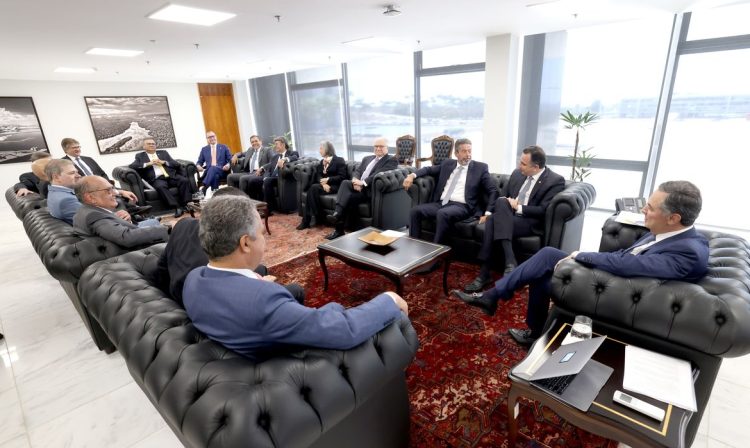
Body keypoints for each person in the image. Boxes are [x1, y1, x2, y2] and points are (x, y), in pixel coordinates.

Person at [452, 181, 708, 346]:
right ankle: (529, 327)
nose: (644, 211)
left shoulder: (687, 253)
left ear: (674, 217)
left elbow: (626, 266)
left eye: (650, 208)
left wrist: (581, 255)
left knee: (549, 256)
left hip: (617, 290)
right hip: (619, 276)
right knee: (544, 268)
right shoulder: (668, 232)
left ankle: (495, 297)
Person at [182, 194, 409, 360]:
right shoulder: (263, 301)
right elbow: (344, 330)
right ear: (245, 243)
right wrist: (389, 299)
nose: (264, 240)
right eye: (261, 234)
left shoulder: (193, 280)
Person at [155, 186, 305, 304]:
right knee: (295, 290)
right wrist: (260, 285)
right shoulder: (218, 249)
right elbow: (227, 288)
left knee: (261, 268)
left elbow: (161, 269)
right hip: (208, 300)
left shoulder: (183, 223)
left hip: (176, 292)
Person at [464, 145, 565, 292]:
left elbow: (543, 211)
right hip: (507, 216)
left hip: (528, 221)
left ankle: (485, 273)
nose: (519, 166)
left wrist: (517, 207)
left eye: (523, 164)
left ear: (536, 167)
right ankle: (509, 261)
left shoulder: (554, 180)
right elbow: (502, 197)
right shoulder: (517, 174)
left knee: (494, 221)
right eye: (520, 161)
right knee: (496, 212)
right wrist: (490, 213)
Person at [403, 138, 498, 245]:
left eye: (469, 151)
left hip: (462, 206)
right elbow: (428, 169)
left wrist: (488, 213)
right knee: (415, 211)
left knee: (442, 214)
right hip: (441, 203)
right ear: (456, 153)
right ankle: (413, 245)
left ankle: (436, 252)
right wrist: (412, 175)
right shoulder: (447, 164)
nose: (468, 154)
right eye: (464, 151)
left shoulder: (480, 168)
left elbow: (493, 190)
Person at [325, 137, 398, 240]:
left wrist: (362, 183)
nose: (378, 148)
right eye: (376, 146)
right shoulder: (367, 158)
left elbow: (378, 174)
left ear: (387, 148)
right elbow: (358, 171)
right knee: (347, 197)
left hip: (369, 191)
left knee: (345, 183)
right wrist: (355, 181)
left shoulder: (391, 160)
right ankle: (340, 229)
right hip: (357, 188)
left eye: (381, 146)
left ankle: (337, 215)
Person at [60, 137, 152, 217]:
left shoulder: (88, 159)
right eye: (74, 148)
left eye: (78, 146)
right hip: (88, 190)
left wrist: (110, 187)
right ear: (66, 150)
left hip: (102, 187)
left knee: (122, 193)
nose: (78, 149)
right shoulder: (64, 163)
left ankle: (133, 212)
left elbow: (102, 174)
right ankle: (132, 213)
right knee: (114, 196)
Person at [73, 176, 169, 248]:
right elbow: (126, 238)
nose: (115, 193)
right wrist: (167, 227)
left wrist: (119, 218)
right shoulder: (94, 216)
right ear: (91, 197)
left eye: (113, 188)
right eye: (108, 190)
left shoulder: (88, 210)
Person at [129, 137, 193, 217]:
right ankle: (177, 207)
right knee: (160, 186)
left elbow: (175, 164)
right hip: (157, 179)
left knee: (184, 180)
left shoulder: (163, 153)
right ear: (144, 147)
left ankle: (186, 204)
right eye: (149, 144)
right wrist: (149, 163)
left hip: (170, 176)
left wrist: (164, 162)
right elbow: (132, 166)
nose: (152, 145)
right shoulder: (140, 156)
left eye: (153, 144)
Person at [297, 141, 346, 230]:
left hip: (335, 186)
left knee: (313, 188)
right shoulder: (321, 162)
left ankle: (308, 220)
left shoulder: (339, 160)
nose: (319, 151)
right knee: (313, 189)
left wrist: (328, 180)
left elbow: (342, 177)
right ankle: (318, 217)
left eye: (321, 148)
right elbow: (318, 175)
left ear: (327, 149)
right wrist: (323, 184)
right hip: (324, 186)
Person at [242, 136, 299, 210]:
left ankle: (268, 209)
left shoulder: (292, 153)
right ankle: (254, 206)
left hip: (280, 178)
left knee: (267, 181)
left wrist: (285, 159)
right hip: (271, 177)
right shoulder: (276, 156)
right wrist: (263, 170)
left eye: (277, 144)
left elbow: (295, 157)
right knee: (252, 181)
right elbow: (270, 167)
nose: (275, 146)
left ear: (283, 144)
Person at [196, 131, 232, 195]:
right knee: (215, 176)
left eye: (213, 136)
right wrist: (198, 166)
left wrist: (228, 165)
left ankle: (204, 188)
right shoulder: (204, 149)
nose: (212, 138)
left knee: (213, 168)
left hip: (222, 170)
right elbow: (199, 161)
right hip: (209, 172)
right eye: (209, 137)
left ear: (216, 137)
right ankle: (215, 196)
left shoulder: (224, 147)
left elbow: (230, 159)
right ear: (207, 139)